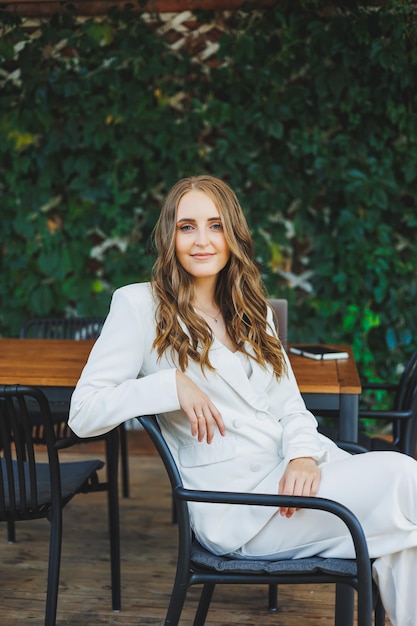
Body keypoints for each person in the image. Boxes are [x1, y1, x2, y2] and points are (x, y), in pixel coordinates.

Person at [69, 174, 417, 626]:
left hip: (298, 484)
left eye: (215, 225)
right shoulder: (139, 305)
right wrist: (168, 384)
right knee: (403, 475)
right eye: (186, 226)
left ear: (233, 233)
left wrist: (303, 457)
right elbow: (83, 413)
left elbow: (292, 406)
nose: (201, 240)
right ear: (168, 235)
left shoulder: (253, 311)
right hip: (239, 507)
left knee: (404, 536)